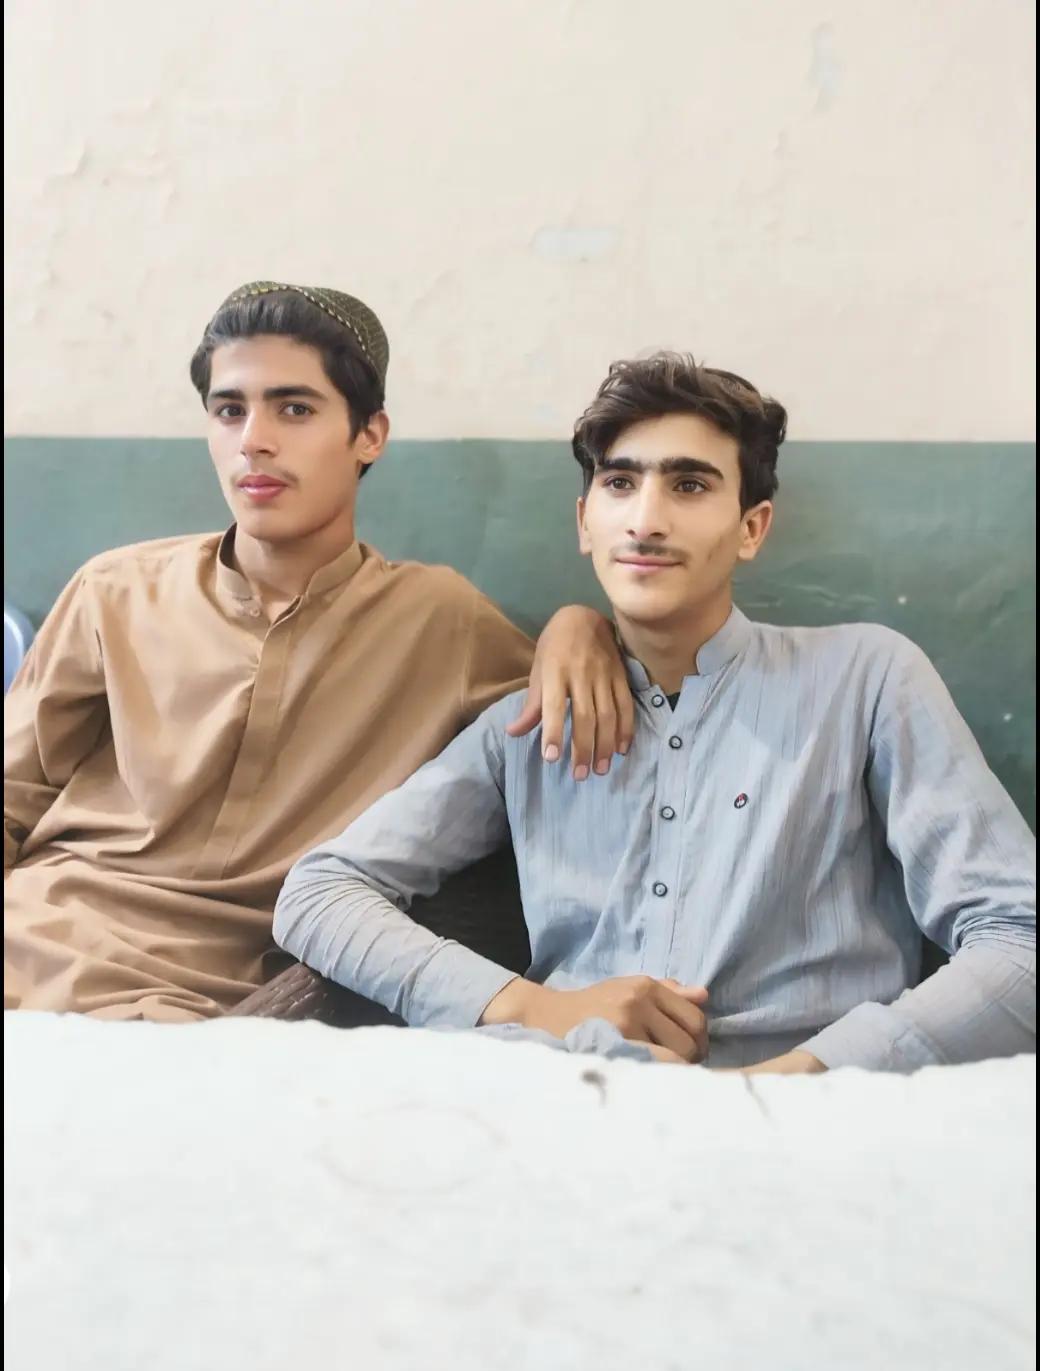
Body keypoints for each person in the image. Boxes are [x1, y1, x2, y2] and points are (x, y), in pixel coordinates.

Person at [274, 353, 1036, 1073]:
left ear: (752, 528)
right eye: (620, 483)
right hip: (566, 1104)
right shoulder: (526, 728)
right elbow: (318, 894)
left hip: (811, 1121)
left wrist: (803, 1078)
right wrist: (532, 1006)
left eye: (690, 486)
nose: (645, 520)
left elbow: (1020, 939)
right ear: (584, 522)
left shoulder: (865, 680)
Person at [3, 281, 631, 1021]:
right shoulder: (114, 591)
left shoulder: (442, 623)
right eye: (229, 410)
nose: (254, 440)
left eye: (294, 409)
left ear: (370, 435)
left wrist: (579, 626)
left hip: (215, 1005)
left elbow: (566, 760)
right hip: (32, 941)